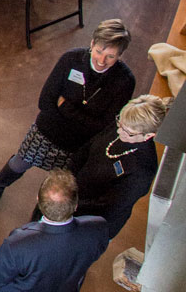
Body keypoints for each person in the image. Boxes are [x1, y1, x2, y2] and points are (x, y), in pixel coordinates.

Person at [0, 19, 136, 214]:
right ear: (92, 43)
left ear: (120, 56)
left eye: (110, 56)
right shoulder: (71, 60)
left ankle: (40, 214)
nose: (101, 61)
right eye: (99, 51)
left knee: (60, 185)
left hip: (78, 146)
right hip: (47, 131)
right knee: (20, 162)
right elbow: (45, 102)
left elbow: (103, 126)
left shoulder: (124, 81)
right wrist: (82, 119)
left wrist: (65, 108)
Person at [67, 94, 170, 239]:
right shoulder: (122, 126)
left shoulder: (142, 170)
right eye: (120, 124)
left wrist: (67, 203)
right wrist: (66, 178)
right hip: (71, 195)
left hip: (90, 222)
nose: (118, 132)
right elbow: (87, 148)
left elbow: (109, 205)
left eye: (128, 132)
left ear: (148, 136)